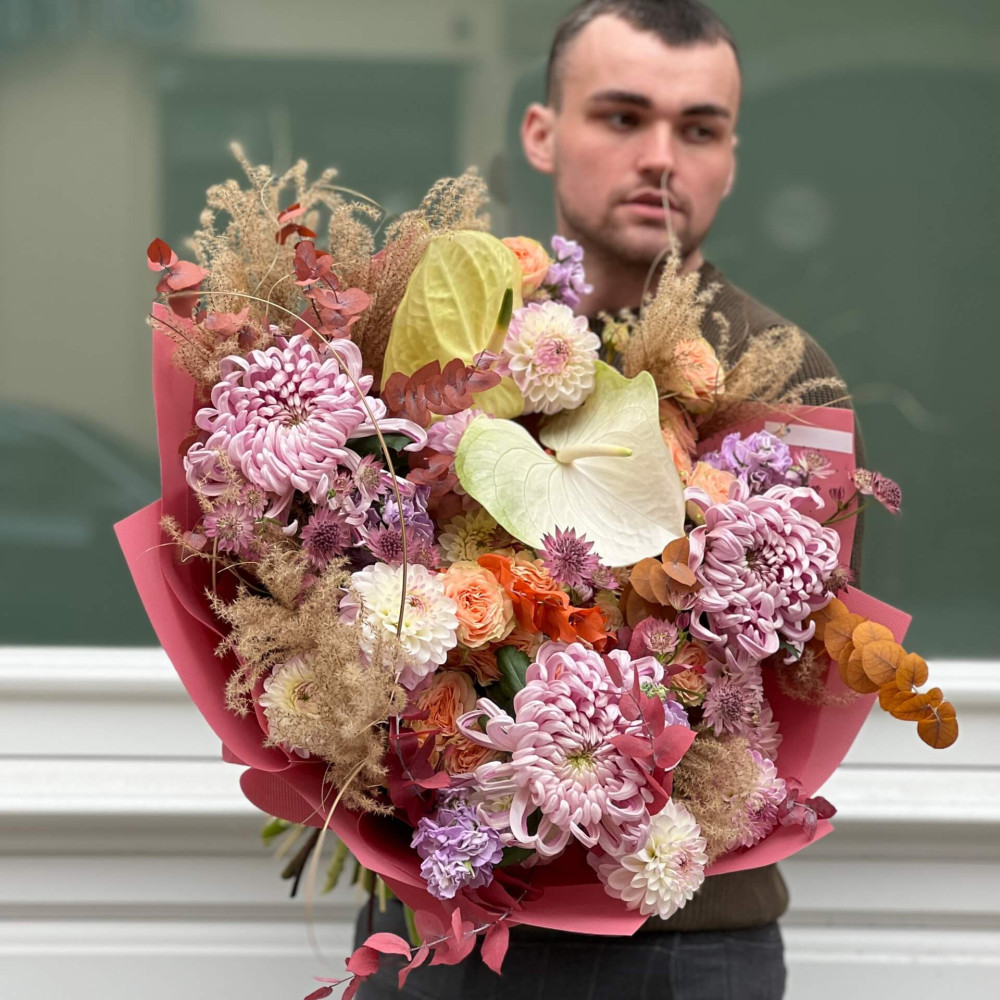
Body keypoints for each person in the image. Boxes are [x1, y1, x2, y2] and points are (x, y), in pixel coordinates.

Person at [357, 2, 860, 996]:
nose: (661, 157)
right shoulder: (446, 329)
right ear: (541, 133)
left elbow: (807, 660)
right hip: (441, 914)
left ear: (730, 158)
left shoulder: (788, 378)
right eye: (622, 117)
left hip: (685, 937)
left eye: (699, 129)